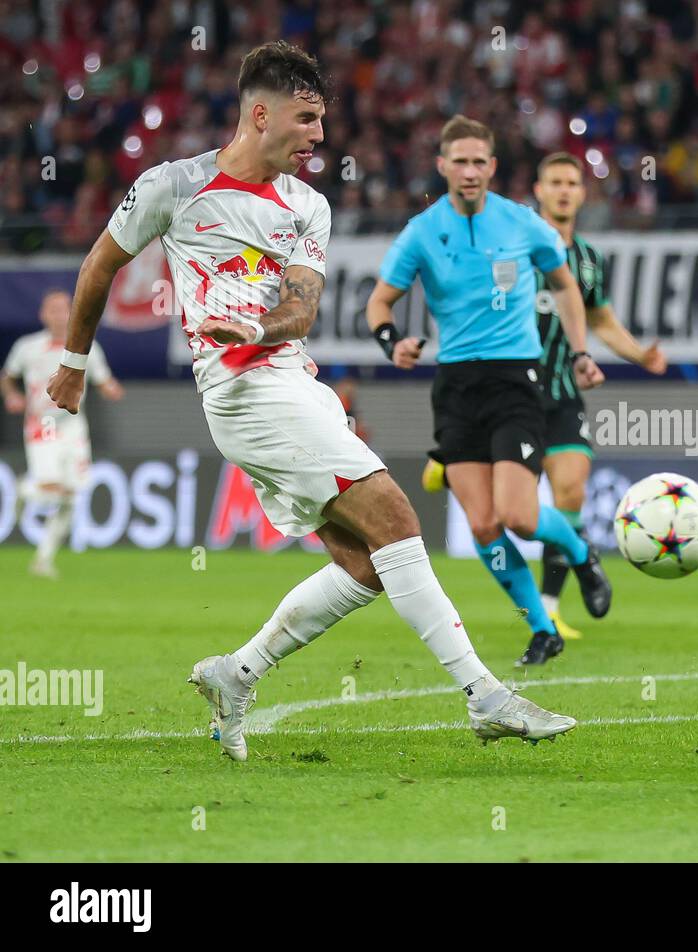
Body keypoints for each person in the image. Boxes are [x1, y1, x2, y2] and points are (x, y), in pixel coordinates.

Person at [45, 42, 575, 761]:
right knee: (395, 516)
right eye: (307, 118)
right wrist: (74, 362)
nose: (320, 137)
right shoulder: (174, 186)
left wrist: (258, 325)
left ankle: (237, 673)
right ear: (260, 114)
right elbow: (101, 263)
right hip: (241, 391)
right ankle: (484, 694)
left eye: (322, 120)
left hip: (295, 381)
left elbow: (299, 310)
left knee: (364, 563)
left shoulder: (307, 205)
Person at [365, 116, 613, 669]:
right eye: (460, 161)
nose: (470, 171)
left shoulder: (522, 223)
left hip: (514, 380)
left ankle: (578, 550)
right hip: (455, 386)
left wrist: (580, 353)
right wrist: (392, 343)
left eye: (480, 161)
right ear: (443, 166)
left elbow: (566, 287)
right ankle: (543, 627)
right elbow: (379, 302)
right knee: (482, 524)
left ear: (492, 167)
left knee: (520, 517)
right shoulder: (423, 231)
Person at [529, 152, 667, 651]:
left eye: (572, 183)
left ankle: (547, 612)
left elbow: (602, 318)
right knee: (514, 511)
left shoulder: (587, 258)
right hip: (514, 395)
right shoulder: (517, 248)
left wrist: (638, 354)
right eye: (555, 182)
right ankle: (576, 563)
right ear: (538, 190)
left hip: (564, 392)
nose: (564, 190)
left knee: (569, 493)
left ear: (582, 194)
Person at [1, 288, 123, 577]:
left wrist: (111, 389)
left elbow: (104, 380)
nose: (58, 315)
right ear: (43, 314)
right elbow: (7, 376)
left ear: (71, 313)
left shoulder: (85, 347)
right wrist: (11, 396)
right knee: (50, 490)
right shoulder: (27, 346)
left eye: (63, 309)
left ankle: (43, 559)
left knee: (72, 494)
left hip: (74, 426)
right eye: (52, 309)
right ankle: (23, 489)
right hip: (42, 425)